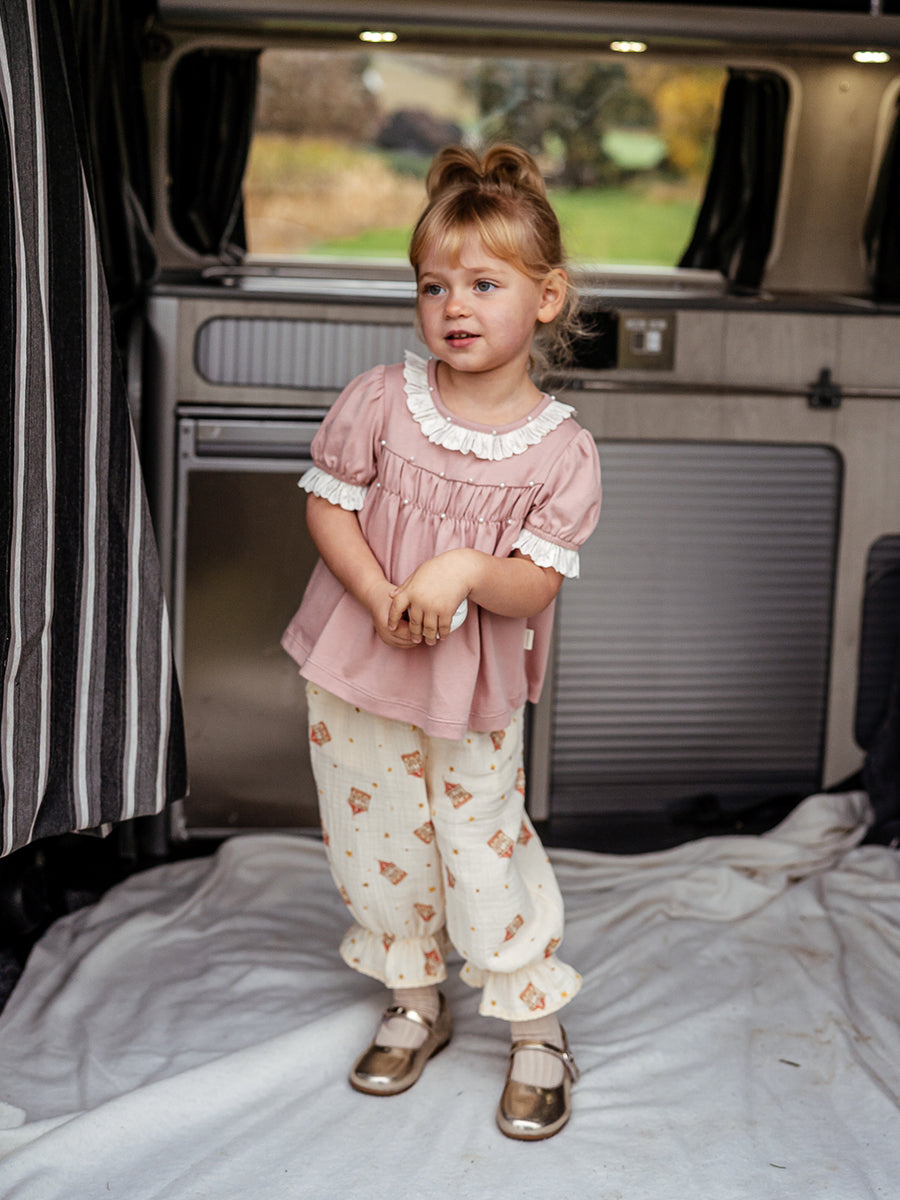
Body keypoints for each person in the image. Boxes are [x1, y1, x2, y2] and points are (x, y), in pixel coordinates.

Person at [281, 143, 601, 1140]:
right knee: (376, 843)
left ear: (547, 298)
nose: (454, 306)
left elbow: (533, 583)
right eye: (433, 286)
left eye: (484, 284)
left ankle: (536, 1024)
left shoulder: (562, 451)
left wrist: (463, 567)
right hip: (357, 669)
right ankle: (415, 999)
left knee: (481, 844)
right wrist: (378, 591)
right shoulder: (382, 400)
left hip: (469, 695)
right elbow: (330, 507)